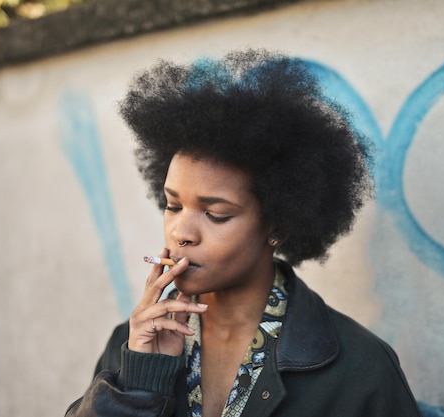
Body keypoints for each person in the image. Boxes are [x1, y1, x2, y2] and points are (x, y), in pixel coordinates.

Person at [65, 49, 423, 417]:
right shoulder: (133, 346)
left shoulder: (359, 369)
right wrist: (141, 383)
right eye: (173, 206)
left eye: (216, 214)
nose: (181, 233)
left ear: (279, 226)